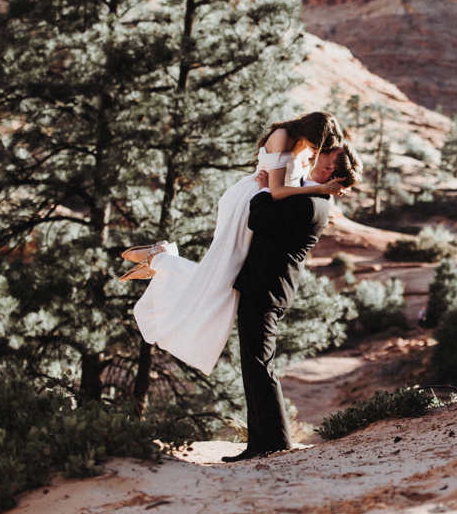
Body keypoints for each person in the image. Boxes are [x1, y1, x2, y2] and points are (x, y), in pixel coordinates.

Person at [127, 112, 347, 374]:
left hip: (259, 208)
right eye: (316, 145)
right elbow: (276, 191)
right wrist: (320, 190)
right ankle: (161, 258)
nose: (315, 151)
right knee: (221, 281)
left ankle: (161, 258)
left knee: (222, 280)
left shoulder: (301, 145)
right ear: (311, 134)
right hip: (246, 208)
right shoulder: (283, 136)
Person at [225, 143, 361, 462]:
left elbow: (259, 219)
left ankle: (274, 442)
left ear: (329, 170)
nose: (319, 153)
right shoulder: (306, 194)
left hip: (268, 287)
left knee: (259, 363)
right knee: (254, 362)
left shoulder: (311, 203)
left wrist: (262, 189)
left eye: (325, 155)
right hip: (264, 284)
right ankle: (260, 441)